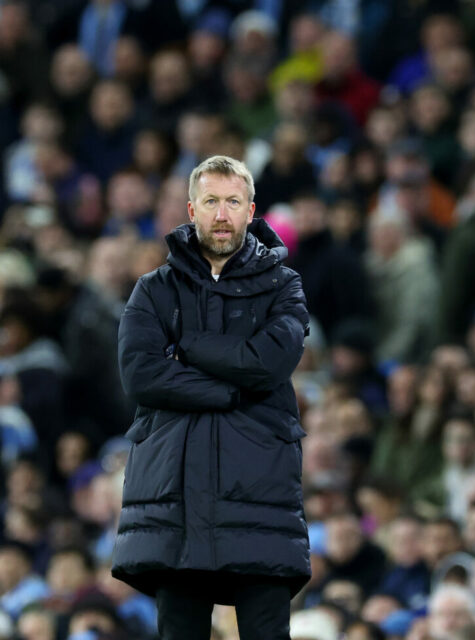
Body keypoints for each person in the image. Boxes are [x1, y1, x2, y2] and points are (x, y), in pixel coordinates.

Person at [111, 155, 310, 639]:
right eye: (211, 202)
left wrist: (189, 346)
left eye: (233, 202)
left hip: (259, 495)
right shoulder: (153, 290)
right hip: (174, 500)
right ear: (191, 209)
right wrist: (231, 390)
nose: (222, 215)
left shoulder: (285, 286)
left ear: (251, 210)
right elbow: (141, 376)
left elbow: (268, 364)